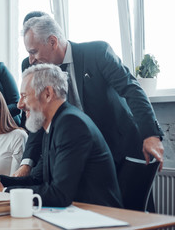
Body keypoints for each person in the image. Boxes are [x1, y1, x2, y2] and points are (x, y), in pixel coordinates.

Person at [14, 14, 164, 178]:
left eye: (33, 52)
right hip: (75, 154)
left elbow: (131, 89)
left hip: (119, 147)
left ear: (52, 42)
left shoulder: (97, 53)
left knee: (127, 203)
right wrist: (27, 163)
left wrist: (150, 134)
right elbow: (37, 114)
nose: (30, 60)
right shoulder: (33, 67)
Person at [0, 64, 123, 208]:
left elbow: (59, 194)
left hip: (98, 217)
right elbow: (37, 179)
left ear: (47, 94)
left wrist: (3, 191)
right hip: (75, 213)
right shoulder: (53, 123)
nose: (19, 104)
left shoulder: (71, 124)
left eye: (24, 96)